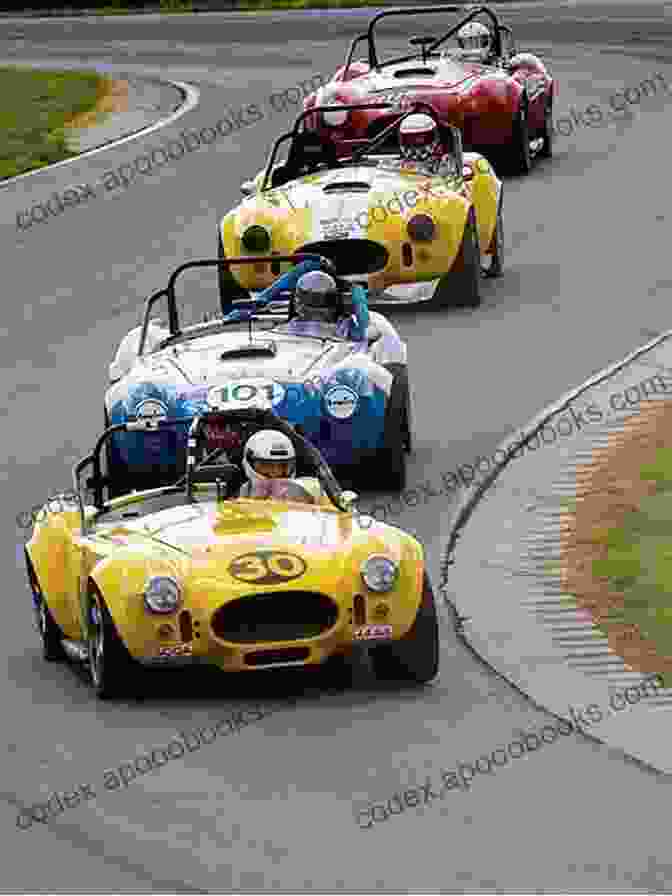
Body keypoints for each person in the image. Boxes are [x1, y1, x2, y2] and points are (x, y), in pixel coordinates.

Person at [223, 256, 369, 343]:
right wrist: (357, 292)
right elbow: (365, 329)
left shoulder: (280, 331)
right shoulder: (347, 330)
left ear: (297, 305)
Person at [238, 429, 321, 502]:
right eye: (267, 466)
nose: (276, 472)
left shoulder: (308, 489)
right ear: (249, 462)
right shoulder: (238, 494)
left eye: (283, 466)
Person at [397, 112, 459, 178]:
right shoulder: (396, 166)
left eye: (420, 139)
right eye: (409, 140)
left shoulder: (446, 163)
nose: (415, 146)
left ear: (434, 138)